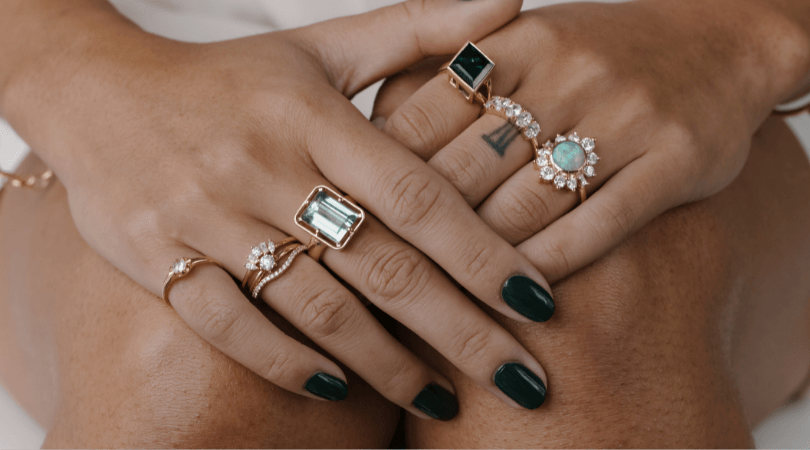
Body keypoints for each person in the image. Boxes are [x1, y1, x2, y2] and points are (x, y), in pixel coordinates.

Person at [0, 0, 809, 446]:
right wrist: (61, 67)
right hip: (139, 65)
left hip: (664, 67)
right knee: (199, 360)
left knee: (584, 312)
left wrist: (748, 33)